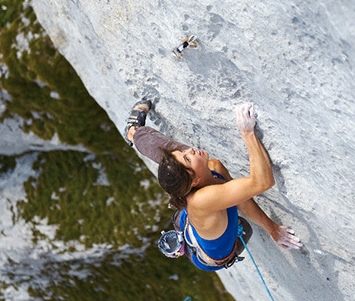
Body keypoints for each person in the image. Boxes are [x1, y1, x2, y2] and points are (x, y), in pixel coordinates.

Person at [123, 99, 302, 270]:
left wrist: (272, 228)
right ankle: (186, 240)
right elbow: (263, 182)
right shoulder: (203, 200)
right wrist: (247, 133)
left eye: (185, 153)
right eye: (187, 157)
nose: (189, 150)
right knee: (244, 227)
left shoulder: (210, 169)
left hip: (193, 209)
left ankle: (133, 132)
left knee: (173, 160)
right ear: (195, 182)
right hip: (204, 252)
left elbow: (242, 198)